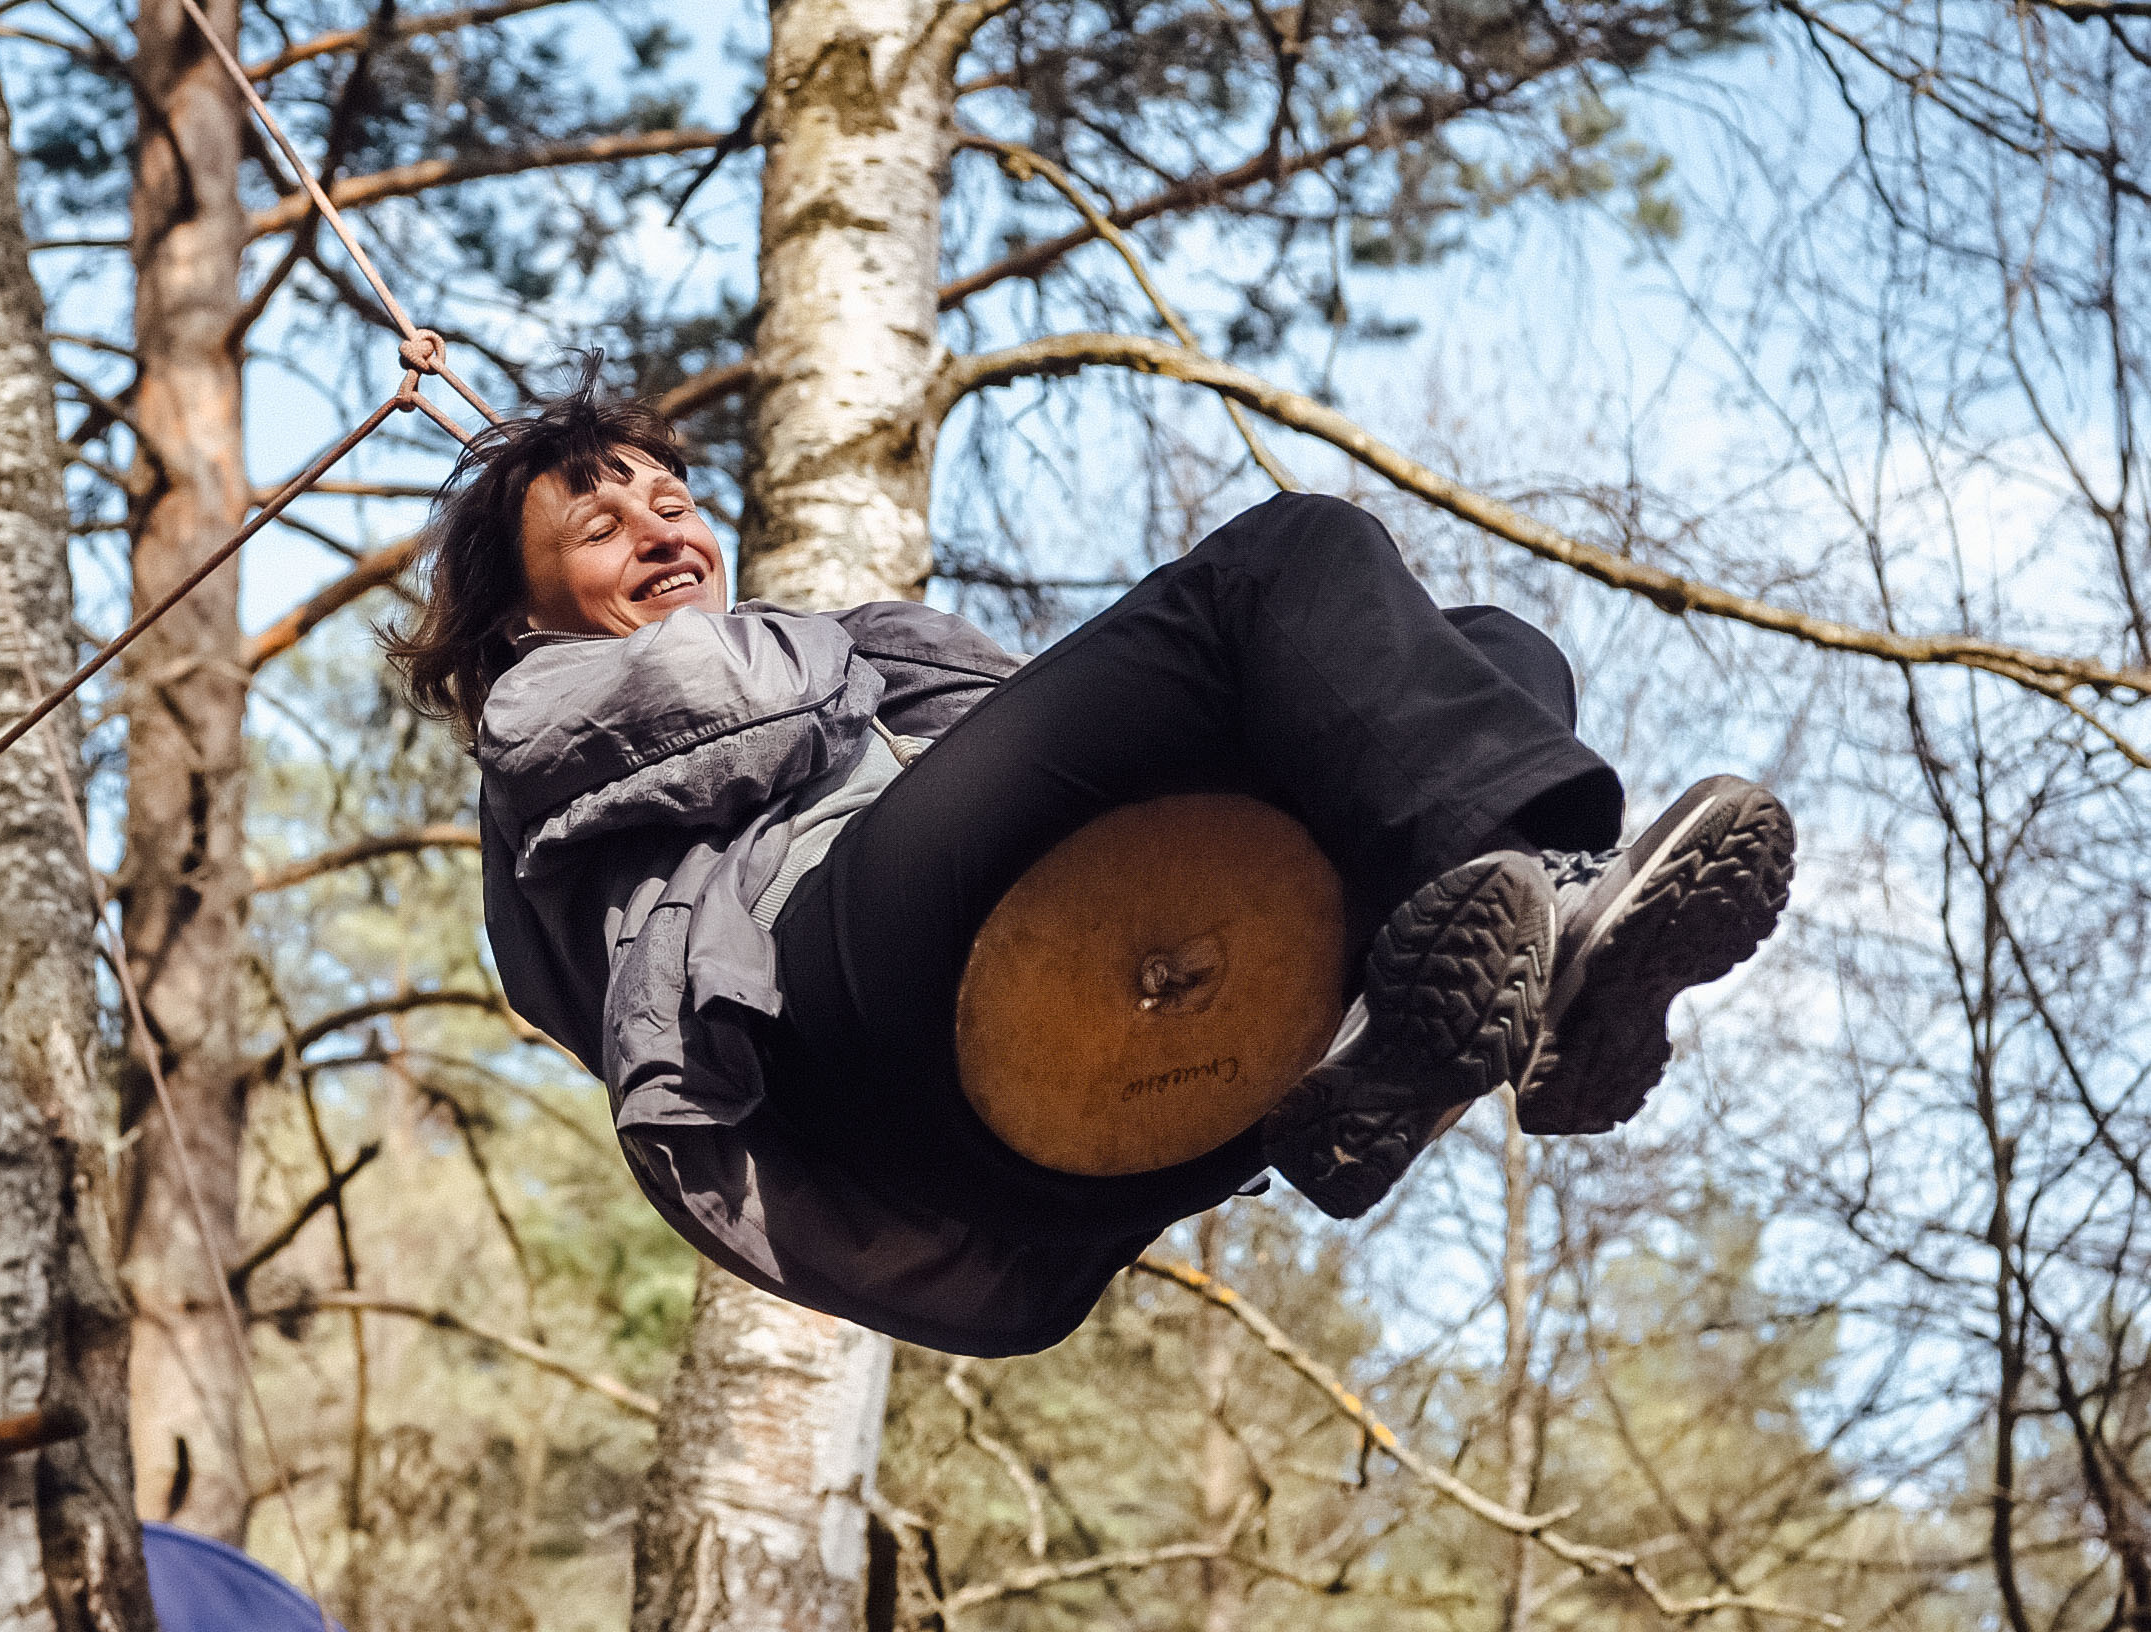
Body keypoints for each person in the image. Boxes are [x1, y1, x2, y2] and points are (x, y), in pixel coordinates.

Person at [386, 379, 1795, 1358]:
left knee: (1494, 650)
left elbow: (1060, 767)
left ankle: (1399, 1062)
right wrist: (863, 638)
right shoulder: (542, 711)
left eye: (676, 501)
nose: (662, 532)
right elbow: (748, 706)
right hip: (849, 1015)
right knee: (1285, 558)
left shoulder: (815, 657)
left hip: (1066, 1163)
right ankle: (1551, 925)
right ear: (522, 618)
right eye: (603, 526)